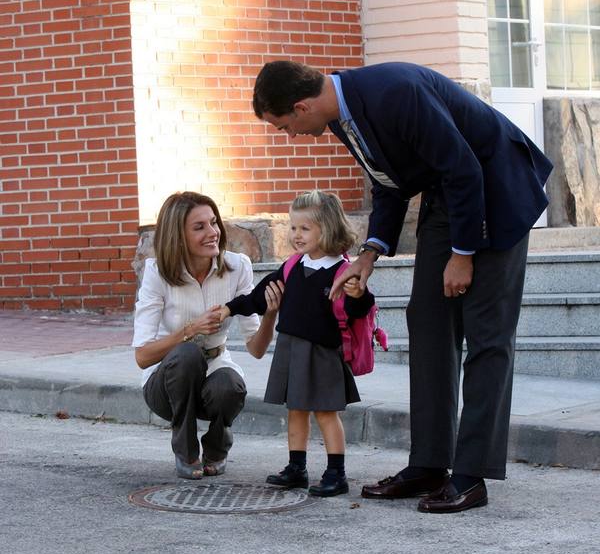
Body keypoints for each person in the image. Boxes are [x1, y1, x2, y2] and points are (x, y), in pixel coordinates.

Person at [251, 60, 553, 513]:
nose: (290, 135)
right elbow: (387, 183)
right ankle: (429, 464)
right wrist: (368, 255)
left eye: (284, 126)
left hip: (497, 188)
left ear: (301, 106)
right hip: (449, 193)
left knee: (487, 335)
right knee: (428, 323)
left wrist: (463, 254)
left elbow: (465, 167)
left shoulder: (395, 92)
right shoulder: (341, 114)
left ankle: (471, 476)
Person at [219, 190, 375, 497]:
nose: (296, 234)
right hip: (290, 349)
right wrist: (229, 308)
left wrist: (359, 295)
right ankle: (296, 468)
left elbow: (359, 308)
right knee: (296, 410)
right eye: (293, 227)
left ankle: (336, 473)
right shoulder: (291, 267)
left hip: (322, 353)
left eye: (305, 228)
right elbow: (259, 296)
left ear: (327, 229)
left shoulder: (343, 272)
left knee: (326, 413)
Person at [133, 191, 281, 480]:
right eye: (199, 227)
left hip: (214, 367)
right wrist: (190, 330)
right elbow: (142, 356)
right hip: (165, 384)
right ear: (178, 236)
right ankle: (186, 451)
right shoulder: (157, 273)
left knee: (230, 385)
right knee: (186, 354)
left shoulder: (237, 267)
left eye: (213, 223)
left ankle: (217, 447)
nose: (213, 232)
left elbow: (256, 348)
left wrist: (270, 314)